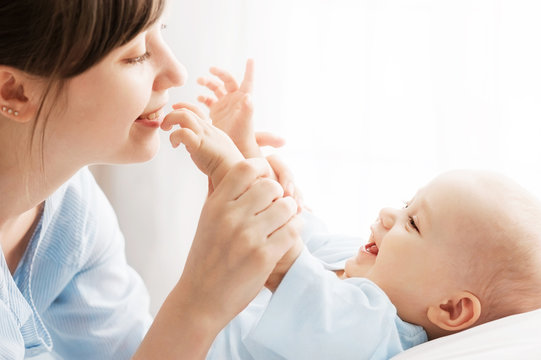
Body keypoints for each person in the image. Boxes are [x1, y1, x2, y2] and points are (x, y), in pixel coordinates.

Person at [163, 61, 541, 359]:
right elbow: (292, 225)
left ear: (451, 308)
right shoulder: (355, 258)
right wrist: (244, 144)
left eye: (413, 223)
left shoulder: (376, 334)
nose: (389, 214)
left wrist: (229, 166)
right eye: (406, 203)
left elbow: (282, 255)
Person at [0, 1, 303, 359]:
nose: (178, 73)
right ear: (14, 91)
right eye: (136, 55)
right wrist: (199, 303)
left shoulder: (71, 212)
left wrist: (252, 242)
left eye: (163, 31)